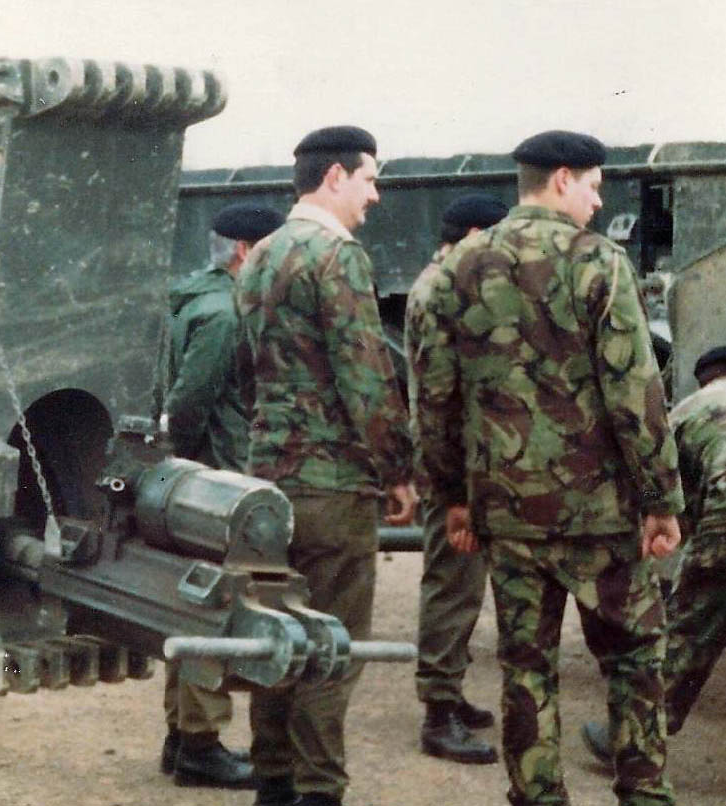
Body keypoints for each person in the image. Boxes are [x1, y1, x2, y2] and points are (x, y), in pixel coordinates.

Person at [411, 129, 685, 806]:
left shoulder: (456, 266)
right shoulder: (600, 262)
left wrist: (451, 497)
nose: (598, 201)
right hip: (599, 515)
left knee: (525, 666)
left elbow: (435, 397)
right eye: (593, 186)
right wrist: (660, 499)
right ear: (562, 178)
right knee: (633, 657)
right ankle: (644, 795)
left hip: (507, 514)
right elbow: (634, 389)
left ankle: (536, 796)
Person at [234, 125, 418, 806]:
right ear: (335, 176)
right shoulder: (336, 255)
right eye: (369, 180)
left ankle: (273, 780)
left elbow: (250, 372)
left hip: (267, 481)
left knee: (274, 632)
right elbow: (365, 373)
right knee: (331, 641)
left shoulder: (260, 255)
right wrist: (398, 469)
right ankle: (318, 790)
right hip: (332, 484)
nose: (375, 196)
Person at [161, 201, 284, 789]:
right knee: (215, 606)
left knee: (190, 602)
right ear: (244, 251)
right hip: (216, 480)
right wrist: (194, 468)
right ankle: (199, 744)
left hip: (200, 474)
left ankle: (183, 735)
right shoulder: (225, 313)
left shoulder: (198, 298)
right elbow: (190, 401)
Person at [582, 344, 726, 763]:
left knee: (688, 632)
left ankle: (632, 742)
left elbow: (656, 487)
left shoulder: (687, 412)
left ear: (706, 378)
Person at [404, 193, 508, 766]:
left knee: (462, 583)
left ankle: (450, 692)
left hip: (463, 463)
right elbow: (440, 397)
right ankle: (438, 710)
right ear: (472, 235)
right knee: (453, 584)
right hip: (453, 469)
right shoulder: (441, 291)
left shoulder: (445, 283)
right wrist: (451, 489)